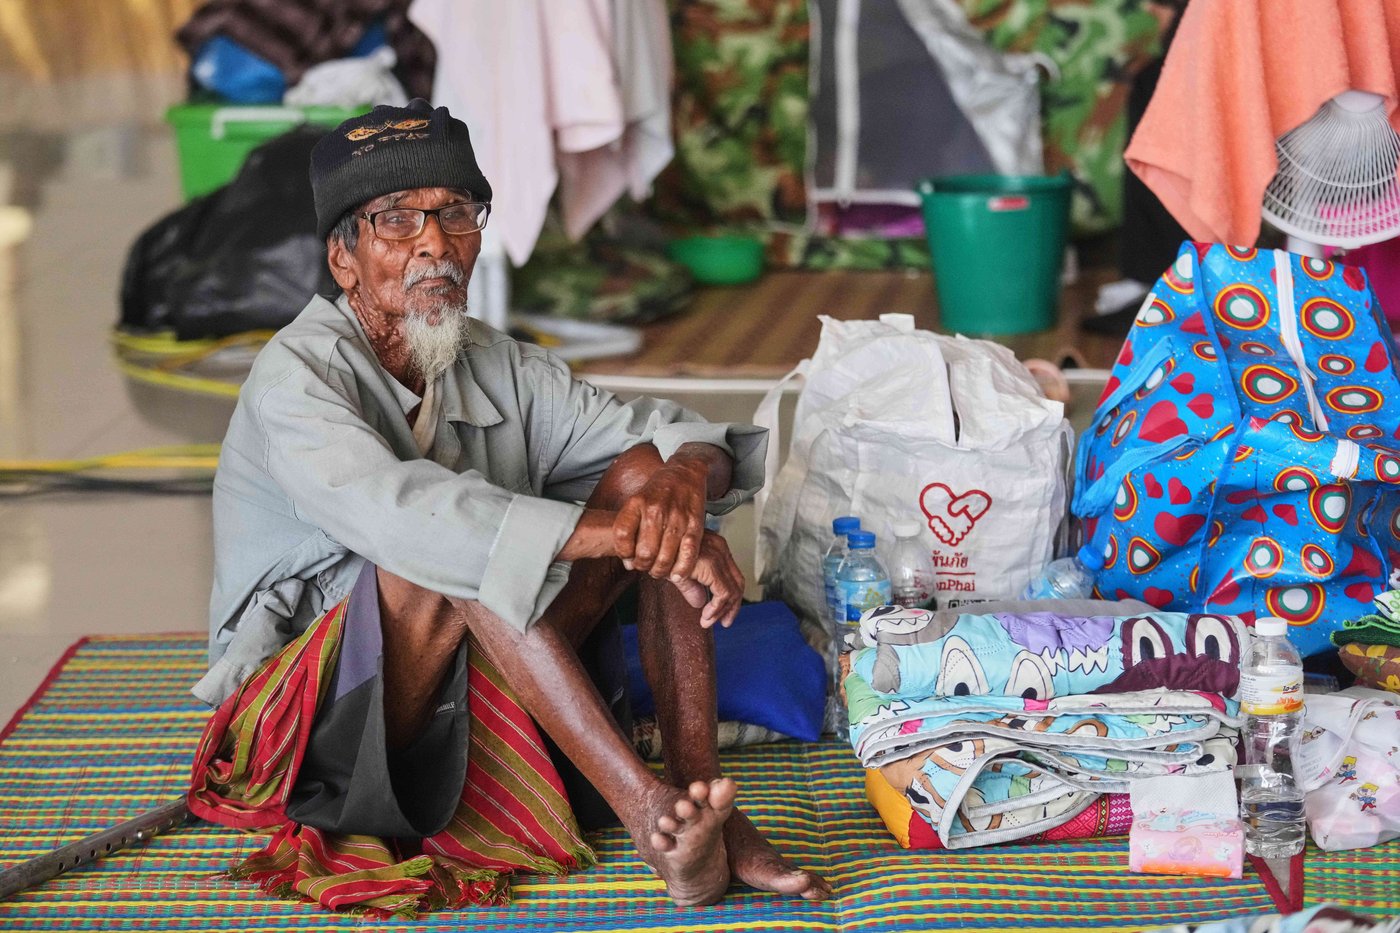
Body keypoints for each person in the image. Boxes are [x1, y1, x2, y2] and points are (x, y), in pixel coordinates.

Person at [187, 99, 831, 912]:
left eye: (455, 213)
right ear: (344, 259)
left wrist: (681, 487)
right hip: (313, 733)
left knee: (653, 483)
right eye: (396, 221)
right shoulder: (295, 379)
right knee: (456, 544)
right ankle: (645, 809)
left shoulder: (494, 360)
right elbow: (410, 518)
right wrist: (619, 533)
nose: (434, 243)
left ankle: (704, 806)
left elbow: (675, 438)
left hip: (471, 683)